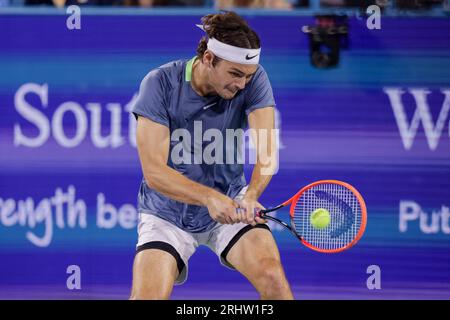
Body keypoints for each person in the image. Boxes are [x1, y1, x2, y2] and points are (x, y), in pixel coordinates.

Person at [129, 11, 293, 300]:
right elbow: (154, 172)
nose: (242, 84)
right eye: (235, 74)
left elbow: (267, 153)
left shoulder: (254, 80)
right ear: (208, 59)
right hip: (166, 213)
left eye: (248, 76)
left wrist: (251, 195)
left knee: (273, 279)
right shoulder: (160, 84)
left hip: (232, 200)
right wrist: (208, 197)